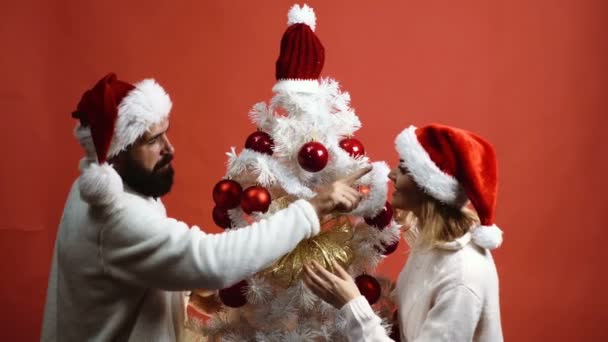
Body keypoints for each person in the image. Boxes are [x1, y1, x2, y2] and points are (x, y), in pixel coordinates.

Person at [41, 73, 369, 341]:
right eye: (152, 140)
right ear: (116, 153)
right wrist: (313, 208)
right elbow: (212, 260)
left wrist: (183, 291)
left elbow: (133, 269)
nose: (169, 148)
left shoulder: (100, 188)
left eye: (165, 134)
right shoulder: (117, 214)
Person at [303, 124, 504, 341]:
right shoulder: (433, 242)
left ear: (430, 187)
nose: (391, 174)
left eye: (405, 169)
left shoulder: (462, 276)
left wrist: (352, 305)